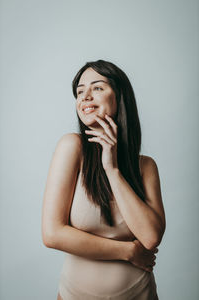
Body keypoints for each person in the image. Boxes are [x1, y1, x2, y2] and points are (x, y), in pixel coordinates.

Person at [41, 59, 166, 299]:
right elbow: (52, 233)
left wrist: (112, 170)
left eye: (97, 87)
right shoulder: (72, 148)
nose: (85, 96)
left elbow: (150, 238)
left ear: (119, 97)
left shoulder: (146, 166)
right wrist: (128, 251)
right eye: (79, 91)